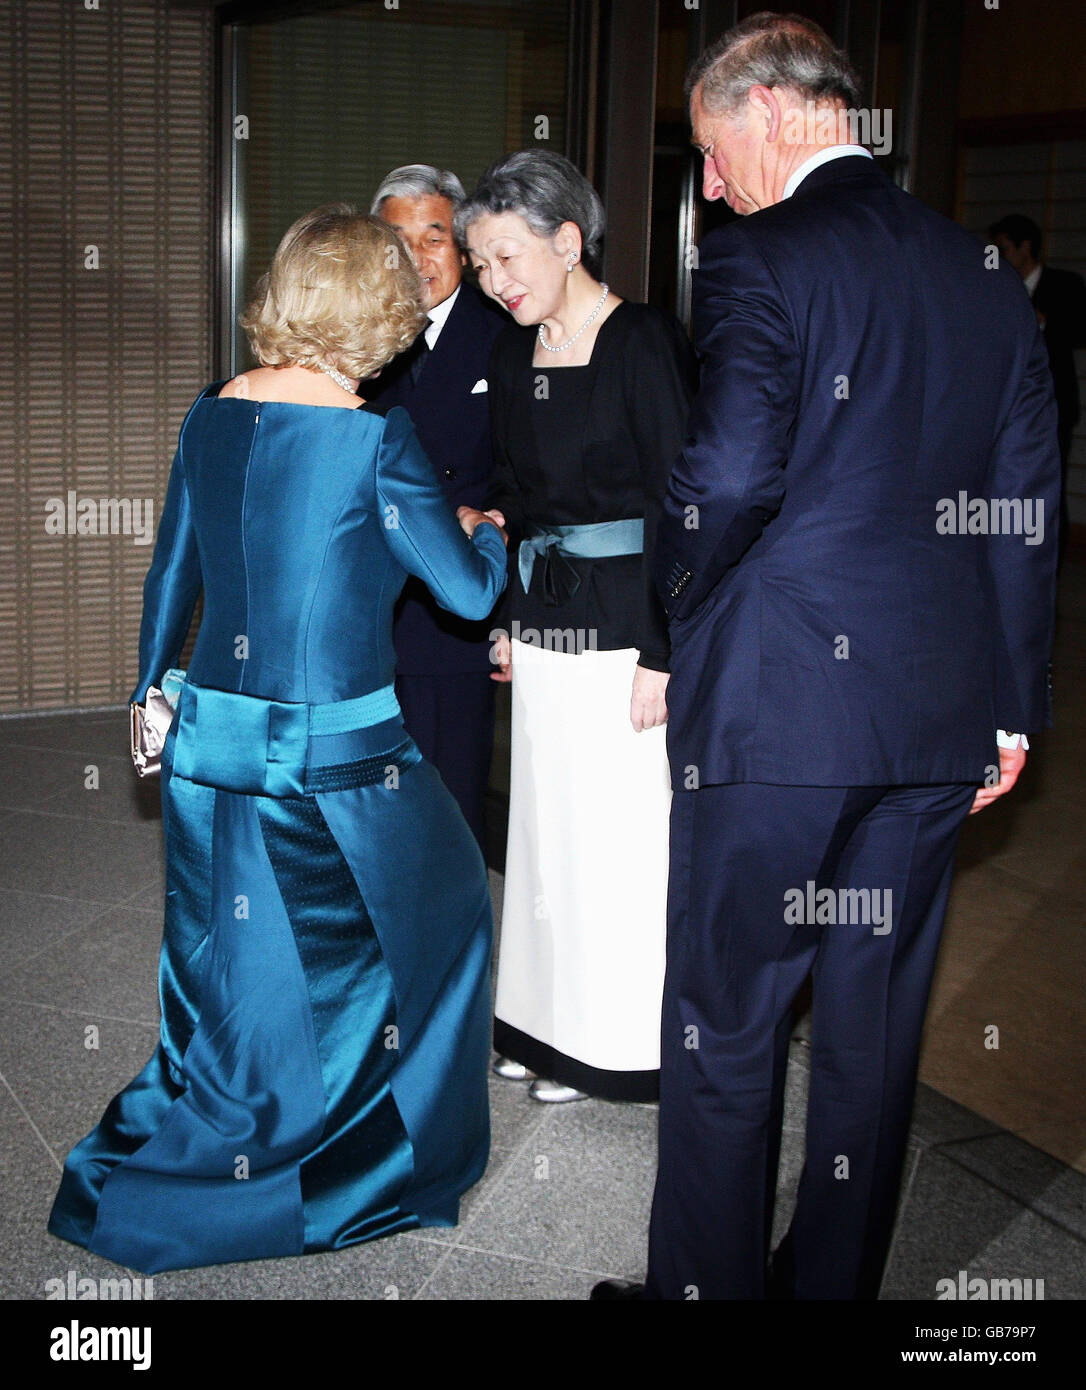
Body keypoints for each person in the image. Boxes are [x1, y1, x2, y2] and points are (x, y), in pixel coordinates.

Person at [593, 13, 1060, 1300]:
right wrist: (1012, 713)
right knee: (872, 1036)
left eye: (704, 147)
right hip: (931, 725)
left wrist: (677, 605)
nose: (706, 180)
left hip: (779, 719)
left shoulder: (763, 256)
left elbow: (731, 475)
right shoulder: (979, 271)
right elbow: (1025, 499)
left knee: (727, 1028)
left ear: (767, 110)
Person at [47, 205, 508, 1274]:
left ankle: (234, 1122)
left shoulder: (212, 412)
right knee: (450, 908)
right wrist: (490, 533)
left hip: (213, 744)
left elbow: (174, 574)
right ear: (380, 309)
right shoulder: (375, 436)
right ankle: (380, 1157)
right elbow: (466, 592)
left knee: (244, 961)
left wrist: (146, 698)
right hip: (340, 764)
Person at [457, 150, 696, 1104]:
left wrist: (668, 651)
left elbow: (684, 502)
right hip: (546, 623)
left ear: (568, 240)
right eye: (480, 264)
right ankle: (542, 1029)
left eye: (507, 257)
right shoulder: (512, 353)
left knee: (619, 846)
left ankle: (611, 1043)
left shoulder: (642, 342)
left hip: (632, 631)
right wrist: (509, 620)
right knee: (545, 840)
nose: (493, 281)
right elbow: (513, 493)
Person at [367, 165, 508, 849]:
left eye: (435, 237)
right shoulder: (358, 339)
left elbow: (529, 474)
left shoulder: (505, 333)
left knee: (451, 804)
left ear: (462, 247)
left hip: (455, 609)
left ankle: (455, 951)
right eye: (399, 240)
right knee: (372, 805)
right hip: (368, 608)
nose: (418, 258)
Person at [989, 213, 1086, 558]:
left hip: (1055, 405)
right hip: (1001, 405)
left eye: (1003, 249)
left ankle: (1049, 564)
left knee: (1049, 488)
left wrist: (1045, 321)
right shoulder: (995, 284)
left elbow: (1079, 332)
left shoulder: (1065, 285)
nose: (997, 257)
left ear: (1024, 247)